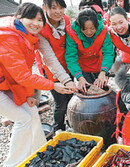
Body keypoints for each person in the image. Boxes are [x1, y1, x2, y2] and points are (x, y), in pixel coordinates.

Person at [0, 3, 73, 166]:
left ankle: (40, 152)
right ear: (19, 17)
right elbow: (22, 76)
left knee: (32, 111)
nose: (36, 23)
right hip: (4, 86)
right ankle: (13, 163)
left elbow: (20, 72)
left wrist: (27, 95)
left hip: (7, 84)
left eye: (39, 20)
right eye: (31, 18)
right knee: (23, 119)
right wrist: (53, 85)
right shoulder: (8, 37)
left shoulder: (27, 35)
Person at [37, 0, 77, 133]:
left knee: (72, 99)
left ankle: (71, 124)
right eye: (53, 7)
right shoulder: (41, 27)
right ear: (44, 8)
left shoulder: (66, 20)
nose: (58, 11)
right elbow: (49, 58)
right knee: (60, 103)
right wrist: (67, 80)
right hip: (51, 70)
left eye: (61, 7)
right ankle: (58, 128)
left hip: (67, 65)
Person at [65, 8, 115, 92]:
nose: (89, 32)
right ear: (79, 26)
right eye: (84, 29)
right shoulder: (72, 32)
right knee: (87, 90)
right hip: (82, 67)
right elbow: (71, 57)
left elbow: (108, 53)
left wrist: (103, 72)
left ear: (97, 25)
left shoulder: (103, 30)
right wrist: (79, 77)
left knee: (101, 88)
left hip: (98, 64)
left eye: (92, 28)